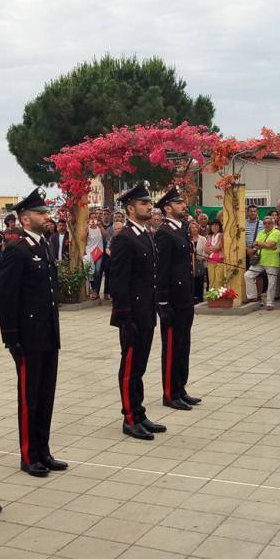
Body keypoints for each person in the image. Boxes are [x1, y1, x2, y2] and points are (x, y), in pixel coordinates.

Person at [0, 188, 64, 477]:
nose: (46, 216)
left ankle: (43, 450)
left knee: (46, 394)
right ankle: (28, 454)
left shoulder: (44, 245)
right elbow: (6, 296)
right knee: (30, 396)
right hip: (27, 337)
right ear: (25, 218)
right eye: (40, 213)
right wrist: (11, 337)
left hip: (47, 334)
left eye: (46, 212)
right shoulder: (16, 249)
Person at [107, 182, 166, 441]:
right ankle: (130, 417)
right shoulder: (124, 238)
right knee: (130, 366)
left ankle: (139, 412)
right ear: (130, 208)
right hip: (131, 314)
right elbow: (118, 282)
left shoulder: (145, 234)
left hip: (145, 311)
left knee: (140, 365)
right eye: (144, 203)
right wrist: (124, 316)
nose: (149, 206)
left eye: (149, 202)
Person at [154, 187, 201, 411]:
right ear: (167, 208)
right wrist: (162, 302)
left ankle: (180, 388)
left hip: (184, 298)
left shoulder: (181, 228)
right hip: (172, 299)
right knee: (172, 347)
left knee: (184, 345)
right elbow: (161, 270)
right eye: (178, 203)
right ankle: (170, 393)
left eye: (183, 202)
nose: (184, 205)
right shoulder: (163, 232)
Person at [245, 213, 280, 310]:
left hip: (272, 261)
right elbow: (256, 244)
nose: (267, 225)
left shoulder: (276, 232)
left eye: (269, 223)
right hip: (260, 260)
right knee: (248, 275)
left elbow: (271, 245)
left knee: (271, 282)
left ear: (273, 224)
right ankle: (253, 297)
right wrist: (265, 245)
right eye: (265, 223)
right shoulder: (261, 232)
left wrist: (262, 244)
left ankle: (270, 303)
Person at [202, 219, 226, 290]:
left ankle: (219, 298)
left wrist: (210, 248)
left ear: (219, 226)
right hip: (210, 261)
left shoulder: (222, 235)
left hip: (220, 261)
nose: (214, 227)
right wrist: (212, 249)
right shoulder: (209, 236)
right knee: (211, 280)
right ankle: (212, 298)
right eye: (212, 225)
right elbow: (205, 249)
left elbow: (218, 247)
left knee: (219, 280)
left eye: (216, 225)